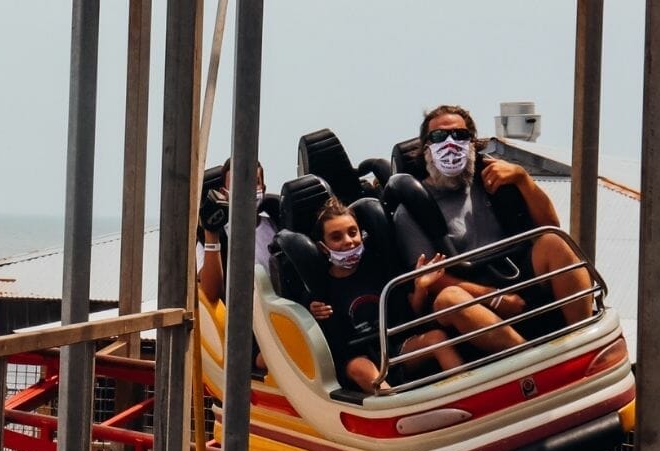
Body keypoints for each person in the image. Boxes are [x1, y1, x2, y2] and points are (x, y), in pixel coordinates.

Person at [390, 103, 595, 335]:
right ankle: (525, 351)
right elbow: (431, 278)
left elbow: (550, 226)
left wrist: (523, 179)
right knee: (450, 298)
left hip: (518, 272)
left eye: (459, 135)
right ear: (426, 148)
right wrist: (493, 297)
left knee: (554, 243)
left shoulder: (496, 177)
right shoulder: (410, 211)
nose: (450, 143)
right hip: (470, 294)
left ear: (472, 143)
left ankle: (584, 336)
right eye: (439, 136)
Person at [306, 198, 458, 401]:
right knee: (359, 367)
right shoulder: (322, 287)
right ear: (324, 247)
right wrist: (312, 313)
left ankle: (465, 389)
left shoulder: (379, 267)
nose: (348, 241)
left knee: (437, 338)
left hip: (395, 348)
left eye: (352, 232)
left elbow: (411, 312)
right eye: (336, 237)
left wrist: (420, 287)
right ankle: (399, 405)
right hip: (361, 357)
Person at [197, 158, 276, 306]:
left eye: (255, 182)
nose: (247, 190)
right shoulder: (207, 238)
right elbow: (211, 294)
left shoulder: (277, 226)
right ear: (224, 192)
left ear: (263, 188)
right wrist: (211, 233)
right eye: (238, 183)